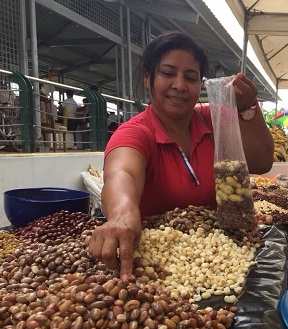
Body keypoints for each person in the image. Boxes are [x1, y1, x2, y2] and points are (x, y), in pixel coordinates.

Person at [87, 31, 274, 280]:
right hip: (159, 267)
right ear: (147, 78)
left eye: (191, 77)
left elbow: (261, 162)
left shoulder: (215, 119)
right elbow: (122, 173)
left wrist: (248, 106)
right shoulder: (136, 132)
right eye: (167, 73)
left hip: (221, 258)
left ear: (200, 84)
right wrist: (122, 212)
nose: (179, 85)